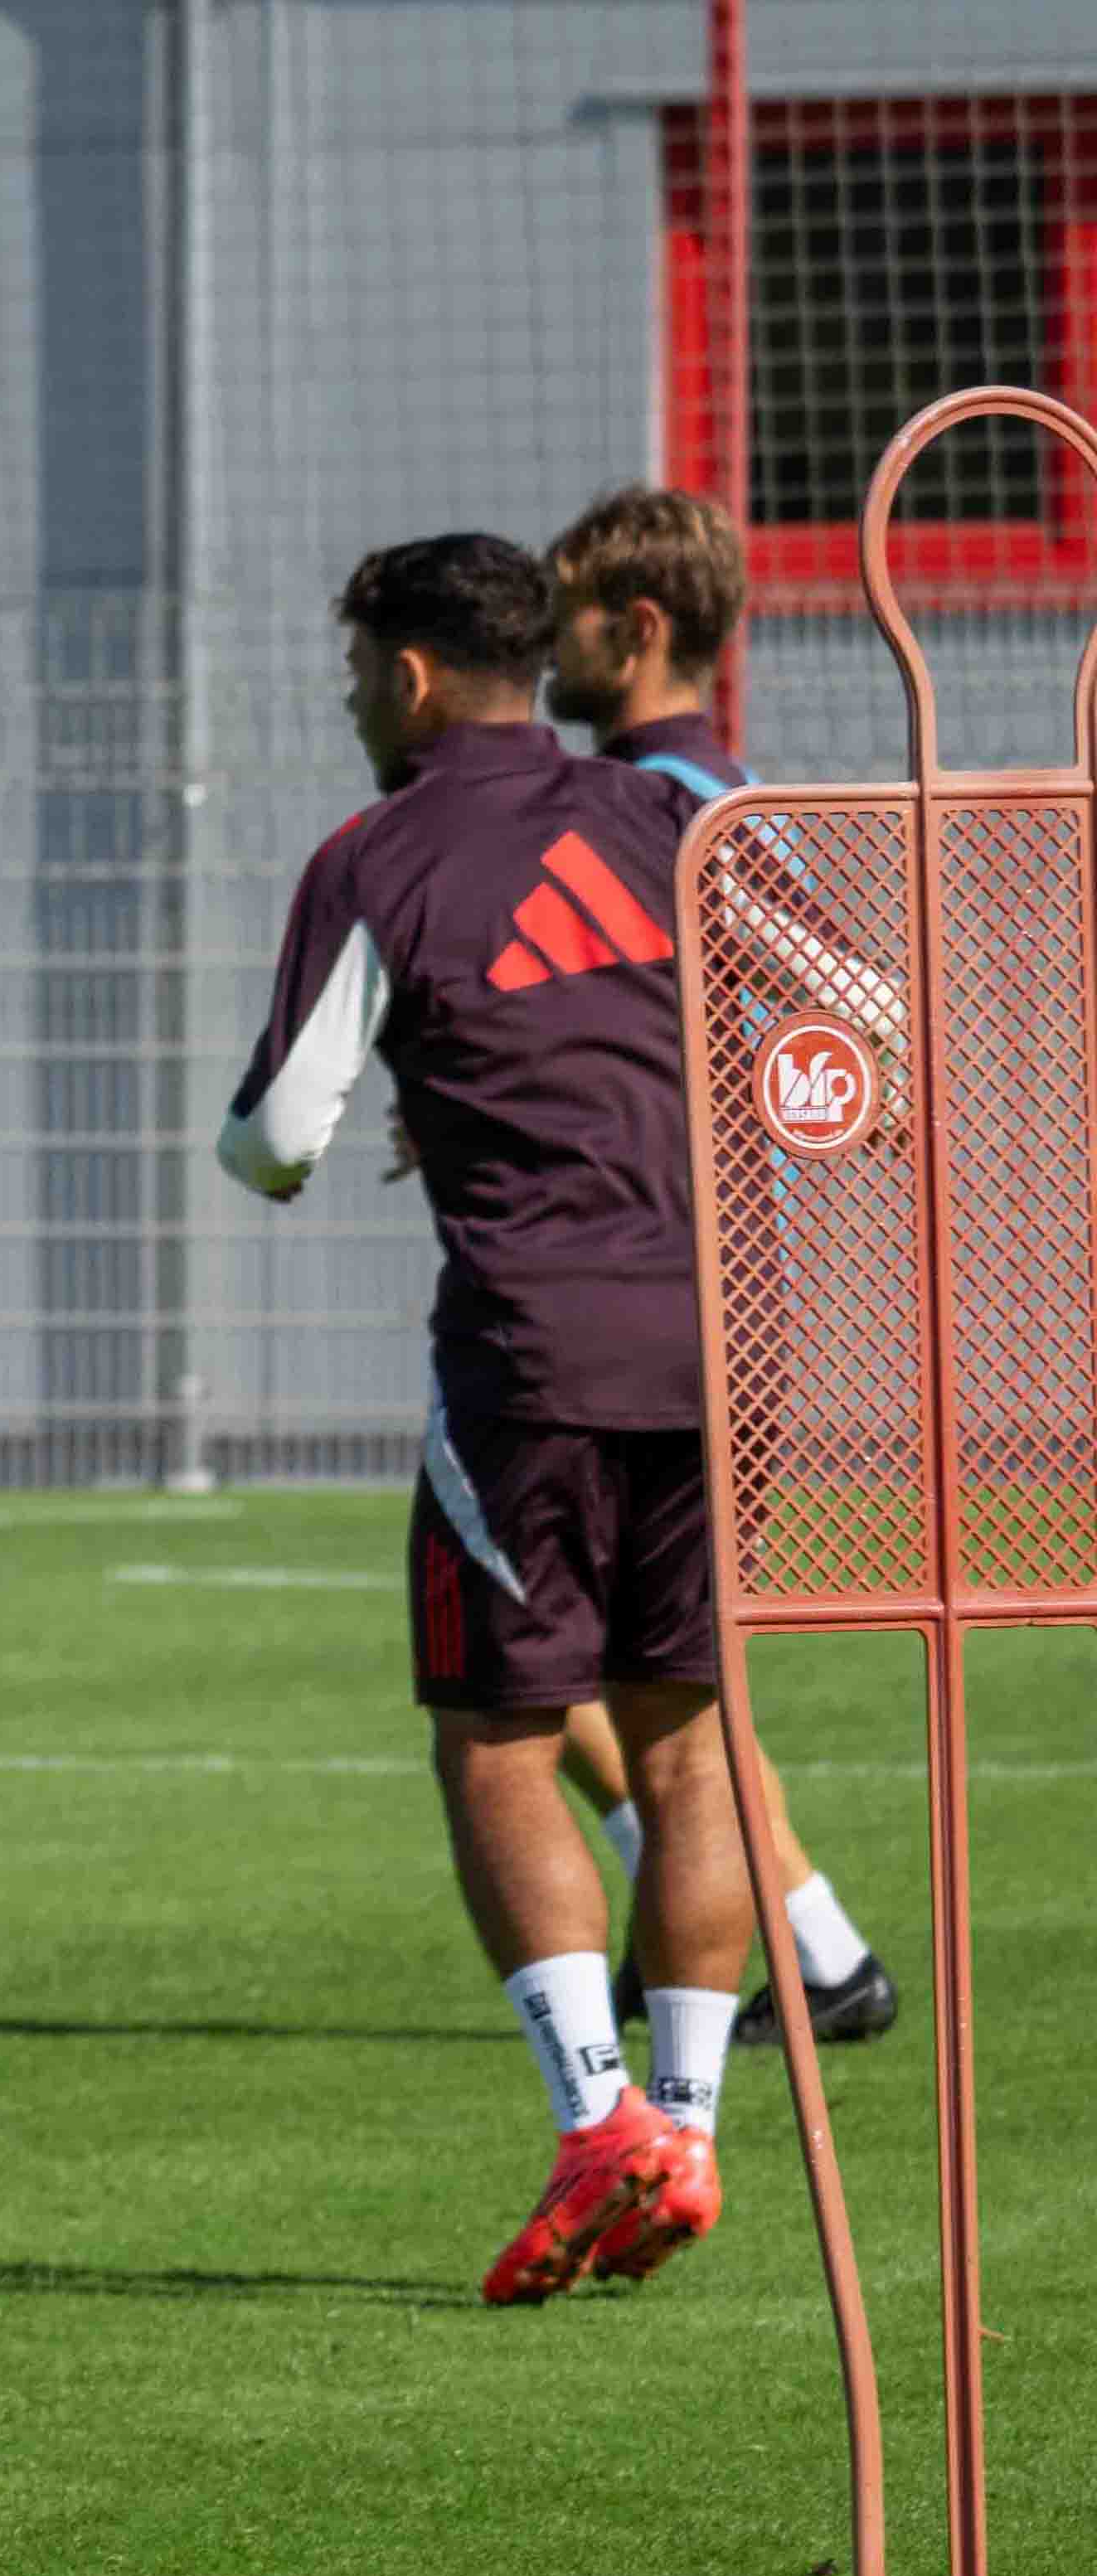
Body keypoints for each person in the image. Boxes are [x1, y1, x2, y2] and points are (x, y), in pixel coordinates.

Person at [219, 536, 743, 2299]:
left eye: (359, 669)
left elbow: (279, 1133)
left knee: (501, 1738)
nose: (355, 700)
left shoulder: (374, 855)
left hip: (528, 1359)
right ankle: (686, 2122)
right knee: (687, 1747)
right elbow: (855, 1022)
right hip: (717, 1347)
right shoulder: (669, 819)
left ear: (416, 674)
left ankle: (598, 2119)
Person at [539, 479, 893, 2048]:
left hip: (680, 1307)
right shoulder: (639, 797)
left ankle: (783, 1949)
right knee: (590, 1680)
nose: (546, 647)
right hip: (657, 1299)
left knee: (585, 1681)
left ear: (643, 626)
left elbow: (854, 1007)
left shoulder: (682, 806)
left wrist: (719, 1132)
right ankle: (810, 1948)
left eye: (568, 614)